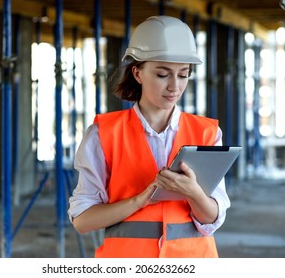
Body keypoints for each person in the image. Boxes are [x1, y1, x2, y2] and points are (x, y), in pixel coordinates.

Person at [67, 15, 230, 258]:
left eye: (183, 74)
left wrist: (193, 192)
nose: (174, 86)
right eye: (163, 75)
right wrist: (138, 202)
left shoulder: (207, 133)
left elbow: (213, 219)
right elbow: (82, 220)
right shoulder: (104, 134)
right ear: (138, 73)